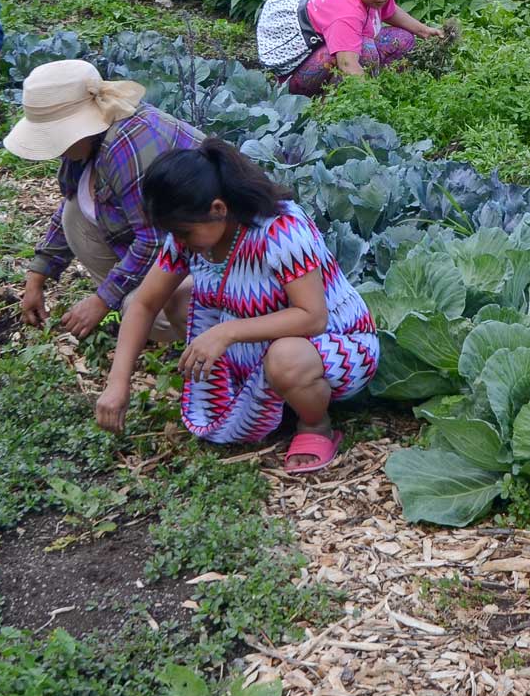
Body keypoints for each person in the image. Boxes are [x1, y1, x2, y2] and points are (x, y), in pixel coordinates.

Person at [96, 140, 379, 473]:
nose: (180, 242)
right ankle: (265, 392)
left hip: (334, 343)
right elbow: (145, 303)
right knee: (176, 296)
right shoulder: (190, 235)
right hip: (260, 339)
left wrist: (226, 332)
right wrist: (118, 384)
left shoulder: (281, 230)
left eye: (184, 232)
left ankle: (315, 423)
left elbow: (313, 317)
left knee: (286, 358)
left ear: (218, 209)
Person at [6, 59, 204, 341]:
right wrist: (37, 275)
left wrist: (102, 300)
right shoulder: (92, 142)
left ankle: (189, 330)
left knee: (134, 307)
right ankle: (142, 308)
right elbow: (73, 202)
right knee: (74, 214)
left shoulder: (127, 145)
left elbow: (154, 240)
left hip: (207, 263)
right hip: (173, 252)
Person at [279, 0, 445, 97]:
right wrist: (373, 98)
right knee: (365, 51)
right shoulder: (345, 10)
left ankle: (384, 85)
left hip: (328, 51)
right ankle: (327, 106)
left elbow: (390, 11)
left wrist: (423, 30)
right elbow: (347, 64)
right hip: (294, 78)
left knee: (403, 39)